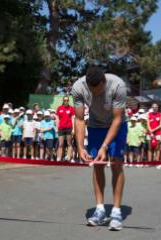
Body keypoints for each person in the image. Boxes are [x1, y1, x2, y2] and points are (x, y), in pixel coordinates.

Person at [72, 66, 127, 231]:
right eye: (92, 90)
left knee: (116, 164)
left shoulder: (118, 85)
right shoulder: (78, 87)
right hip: (96, 126)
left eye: (99, 90)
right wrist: (80, 147)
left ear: (104, 82)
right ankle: (100, 209)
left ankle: (116, 211)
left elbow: (117, 119)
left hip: (117, 125)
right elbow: (80, 119)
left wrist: (105, 146)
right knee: (97, 165)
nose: (96, 94)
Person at [56, 95, 75, 162]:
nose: (66, 101)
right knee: (60, 144)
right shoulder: (59, 108)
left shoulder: (71, 108)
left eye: (67, 100)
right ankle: (58, 158)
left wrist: (73, 129)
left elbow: (73, 119)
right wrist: (57, 127)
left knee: (69, 143)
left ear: (68, 101)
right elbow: (57, 119)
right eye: (65, 100)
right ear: (63, 101)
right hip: (61, 128)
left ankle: (69, 158)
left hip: (69, 128)